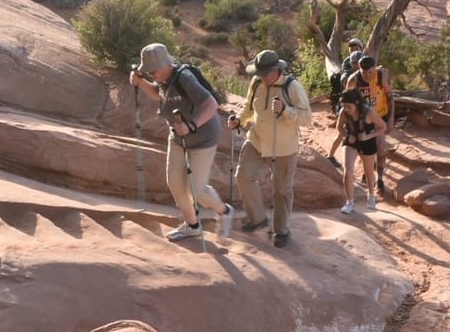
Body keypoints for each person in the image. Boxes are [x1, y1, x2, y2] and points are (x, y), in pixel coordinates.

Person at [129, 43, 233, 242]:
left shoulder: (184, 78)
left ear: (165, 64)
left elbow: (211, 104)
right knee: (176, 184)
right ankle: (193, 225)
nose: (151, 74)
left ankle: (224, 211)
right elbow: (159, 96)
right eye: (147, 71)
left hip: (203, 138)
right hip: (177, 137)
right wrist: (140, 82)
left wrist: (192, 125)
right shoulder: (163, 78)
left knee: (197, 190)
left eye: (153, 70)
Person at [227, 49, 312, 248]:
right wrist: (239, 120)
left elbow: (307, 118)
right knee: (243, 176)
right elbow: (248, 108)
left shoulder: (292, 87)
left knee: (281, 190)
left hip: (283, 148)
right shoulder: (257, 83)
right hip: (256, 140)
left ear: (277, 69)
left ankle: (282, 231)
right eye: (260, 73)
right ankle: (258, 218)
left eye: (266, 73)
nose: (262, 77)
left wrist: (285, 110)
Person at [328, 88, 388, 214]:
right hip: (351, 140)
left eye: (349, 106)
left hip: (368, 141)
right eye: (344, 106)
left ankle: (371, 196)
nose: (346, 109)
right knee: (348, 171)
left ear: (357, 103)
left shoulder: (369, 112)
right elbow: (339, 127)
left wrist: (368, 136)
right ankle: (350, 202)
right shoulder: (344, 113)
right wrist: (346, 135)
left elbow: (383, 127)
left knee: (369, 172)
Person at [348, 54, 394, 197]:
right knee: (365, 149)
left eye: (371, 72)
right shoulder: (353, 80)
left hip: (380, 117)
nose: (368, 76)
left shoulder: (382, 77)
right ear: (359, 69)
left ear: (375, 69)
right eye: (365, 73)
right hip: (363, 119)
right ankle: (366, 171)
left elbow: (391, 98)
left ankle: (380, 179)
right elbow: (347, 102)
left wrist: (391, 119)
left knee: (381, 150)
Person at [326, 36, 366, 168]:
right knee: (345, 132)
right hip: (347, 105)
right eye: (351, 48)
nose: (353, 51)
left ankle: (365, 161)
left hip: (359, 106)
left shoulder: (365, 63)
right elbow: (345, 80)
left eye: (356, 48)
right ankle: (332, 156)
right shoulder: (347, 65)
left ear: (361, 49)